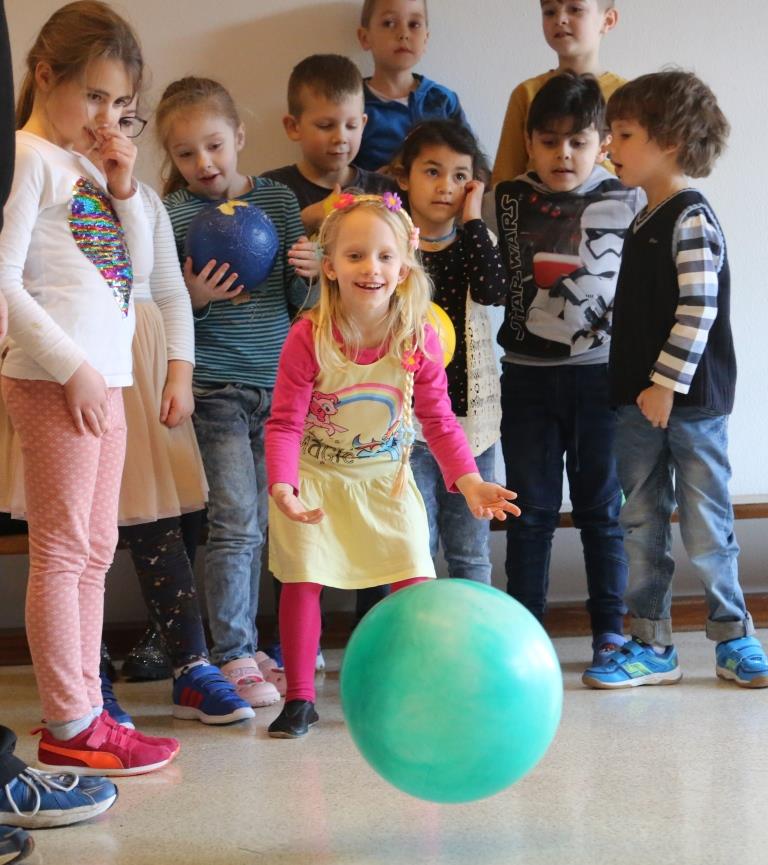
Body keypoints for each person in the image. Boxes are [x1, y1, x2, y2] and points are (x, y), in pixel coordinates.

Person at [264, 193, 520, 738]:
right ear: (330, 266)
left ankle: (413, 691)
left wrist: (469, 480)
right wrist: (283, 485)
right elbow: (284, 422)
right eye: (355, 255)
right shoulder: (308, 336)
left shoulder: (415, 335)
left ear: (404, 266)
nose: (371, 268)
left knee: (413, 579)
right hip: (317, 480)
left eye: (384, 256)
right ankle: (300, 697)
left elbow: (439, 419)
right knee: (303, 578)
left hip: (386, 481)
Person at [0, 0, 178, 775]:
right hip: (55, 380)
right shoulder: (28, 157)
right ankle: (70, 720)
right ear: (46, 76)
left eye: (121, 105)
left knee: (96, 548)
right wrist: (70, 364)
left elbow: (135, 275)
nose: (108, 118)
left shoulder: (83, 166)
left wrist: (125, 185)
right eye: (95, 97)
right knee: (64, 550)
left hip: (104, 381)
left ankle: (87, 711)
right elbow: (3, 280)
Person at [583, 70, 768, 689]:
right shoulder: (643, 218)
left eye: (624, 134)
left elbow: (698, 307)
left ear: (670, 141)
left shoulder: (690, 217)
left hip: (687, 404)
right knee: (639, 522)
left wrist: (665, 383)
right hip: (636, 404)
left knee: (705, 523)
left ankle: (733, 637)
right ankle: (651, 643)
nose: (609, 146)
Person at [158, 76, 319, 707]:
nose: (204, 163)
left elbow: (298, 302)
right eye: (186, 153)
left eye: (215, 146)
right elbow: (166, 311)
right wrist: (195, 298)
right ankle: (231, 654)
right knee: (234, 524)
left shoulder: (277, 201)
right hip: (217, 393)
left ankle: (255, 648)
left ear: (240, 138)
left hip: (281, 394)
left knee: (272, 523)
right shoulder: (173, 214)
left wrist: (311, 273)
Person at [487, 73, 642, 668]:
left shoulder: (630, 199)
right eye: (549, 142)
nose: (563, 154)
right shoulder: (504, 198)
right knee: (530, 511)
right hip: (525, 378)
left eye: (578, 141)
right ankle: (525, 634)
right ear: (529, 143)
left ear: (602, 143)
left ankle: (610, 630)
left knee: (602, 509)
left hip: (601, 378)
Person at [394, 120, 506, 583]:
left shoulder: (476, 244)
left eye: (460, 176)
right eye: (432, 172)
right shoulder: (389, 247)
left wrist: (474, 217)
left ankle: (473, 631)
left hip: (470, 424)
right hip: (405, 424)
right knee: (411, 551)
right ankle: (410, 628)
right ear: (404, 177)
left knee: (471, 551)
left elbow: (494, 290)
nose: (446, 186)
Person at [263, 53, 399, 235]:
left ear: (363, 125)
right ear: (293, 127)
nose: (340, 137)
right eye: (325, 126)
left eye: (351, 126)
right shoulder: (271, 191)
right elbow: (256, 248)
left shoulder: (384, 191)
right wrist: (304, 221)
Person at [492, 0, 621, 185]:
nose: (560, 19)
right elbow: (504, 178)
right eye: (550, 12)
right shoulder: (526, 93)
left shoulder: (629, 97)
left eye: (575, 9)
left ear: (608, 20)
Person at [355, 0, 469, 172]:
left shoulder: (443, 101)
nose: (403, 34)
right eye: (389, 23)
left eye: (414, 24)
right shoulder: (352, 104)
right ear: (365, 38)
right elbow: (337, 171)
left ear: (426, 39)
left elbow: (471, 161)